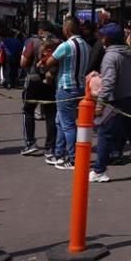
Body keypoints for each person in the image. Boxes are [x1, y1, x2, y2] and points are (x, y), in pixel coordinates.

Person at [89, 23, 131, 183]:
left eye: (103, 36)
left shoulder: (111, 56)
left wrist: (100, 104)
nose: (101, 39)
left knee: (104, 134)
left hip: (116, 102)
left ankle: (99, 170)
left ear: (108, 38)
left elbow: (109, 82)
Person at [45, 16, 91, 170]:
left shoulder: (65, 46)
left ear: (67, 29)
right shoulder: (86, 45)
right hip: (80, 87)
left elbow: (49, 62)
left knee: (68, 125)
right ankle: (59, 153)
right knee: (61, 121)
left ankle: (73, 158)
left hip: (66, 87)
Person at [19, 21, 59, 158]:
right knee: (51, 114)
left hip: (34, 80)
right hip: (51, 81)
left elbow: (23, 62)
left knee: (28, 110)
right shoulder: (59, 43)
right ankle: (50, 147)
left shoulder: (32, 41)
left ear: (41, 31)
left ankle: (30, 143)